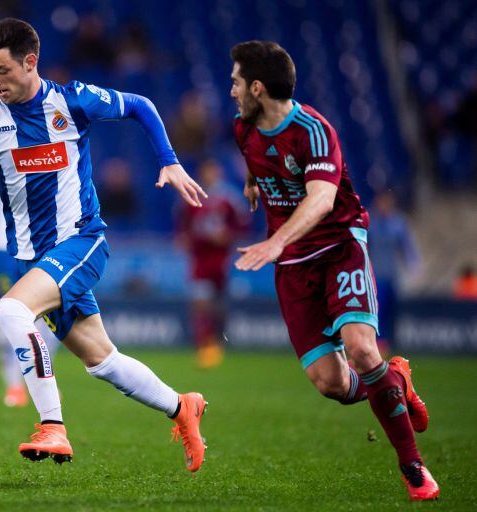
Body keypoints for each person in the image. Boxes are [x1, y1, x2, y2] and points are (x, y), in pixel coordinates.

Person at [0, 18, 209, 472]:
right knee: (103, 360)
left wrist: (169, 162)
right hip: (30, 261)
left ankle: (52, 425)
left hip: (81, 242)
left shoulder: (71, 99)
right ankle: (182, 407)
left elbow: (139, 104)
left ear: (30, 62)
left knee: (10, 312)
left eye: (2, 71)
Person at [229, 41, 438, 500]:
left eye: (237, 82)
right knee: (331, 383)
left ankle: (413, 466)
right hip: (293, 269)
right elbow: (255, 159)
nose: (231, 90)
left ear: (258, 87)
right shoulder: (243, 129)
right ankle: (396, 379)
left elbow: (322, 199)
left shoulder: (314, 130)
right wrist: (252, 185)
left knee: (361, 351)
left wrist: (277, 239)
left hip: (340, 246)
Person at [0, 151, 60, 408]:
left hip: (45, 244)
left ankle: (42, 379)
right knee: (6, 320)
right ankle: (15, 386)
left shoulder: (49, 127)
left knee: (48, 319)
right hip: (2, 247)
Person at [177, 158, 247, 368]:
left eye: (213, 171)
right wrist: (184, 238)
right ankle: (204, 345)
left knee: (219, 306)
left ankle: (217, 342)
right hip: (199, 260)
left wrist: (227, 236)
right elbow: (183, 225)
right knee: (200, 303)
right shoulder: (191, 195)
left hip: (222, 261)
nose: (210, 175)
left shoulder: (229, 199)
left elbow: (242, 227)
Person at [368, 190, 421, 351]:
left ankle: (391, 342)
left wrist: (413, 265)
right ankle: (378, 343)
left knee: (392, 310)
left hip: (392, 275)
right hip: (376, 276)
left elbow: (407, 247)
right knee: (378, 311)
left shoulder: (398, 223)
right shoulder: (371, 223)